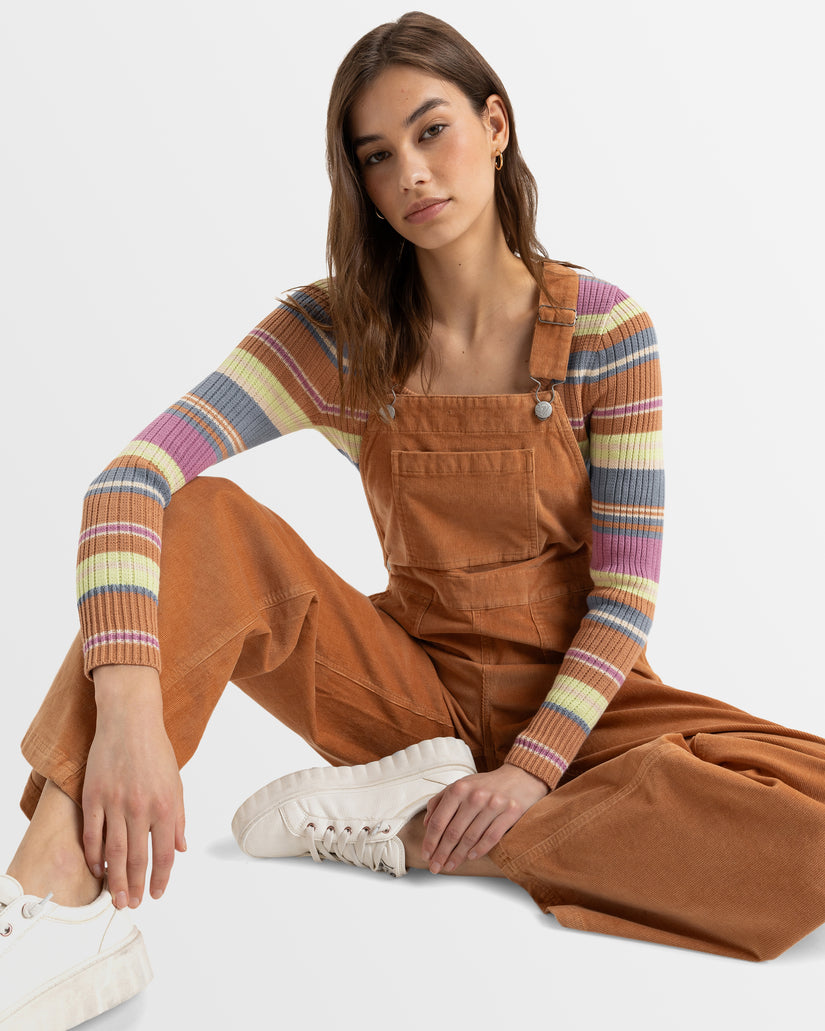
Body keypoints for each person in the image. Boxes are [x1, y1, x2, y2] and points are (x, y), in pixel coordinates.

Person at [2, 9, 825, 1028]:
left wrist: (528, 774)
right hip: (402, 697)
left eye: (432, 131)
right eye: (377, 156)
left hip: (586, 704)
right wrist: (131, 711)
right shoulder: (335, 334)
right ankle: (54, 899)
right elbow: (128, 483)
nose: (412, 175)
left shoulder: (608, 332)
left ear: (495, 125)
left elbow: (622, 600)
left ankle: (424, 829)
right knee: (201, 516)